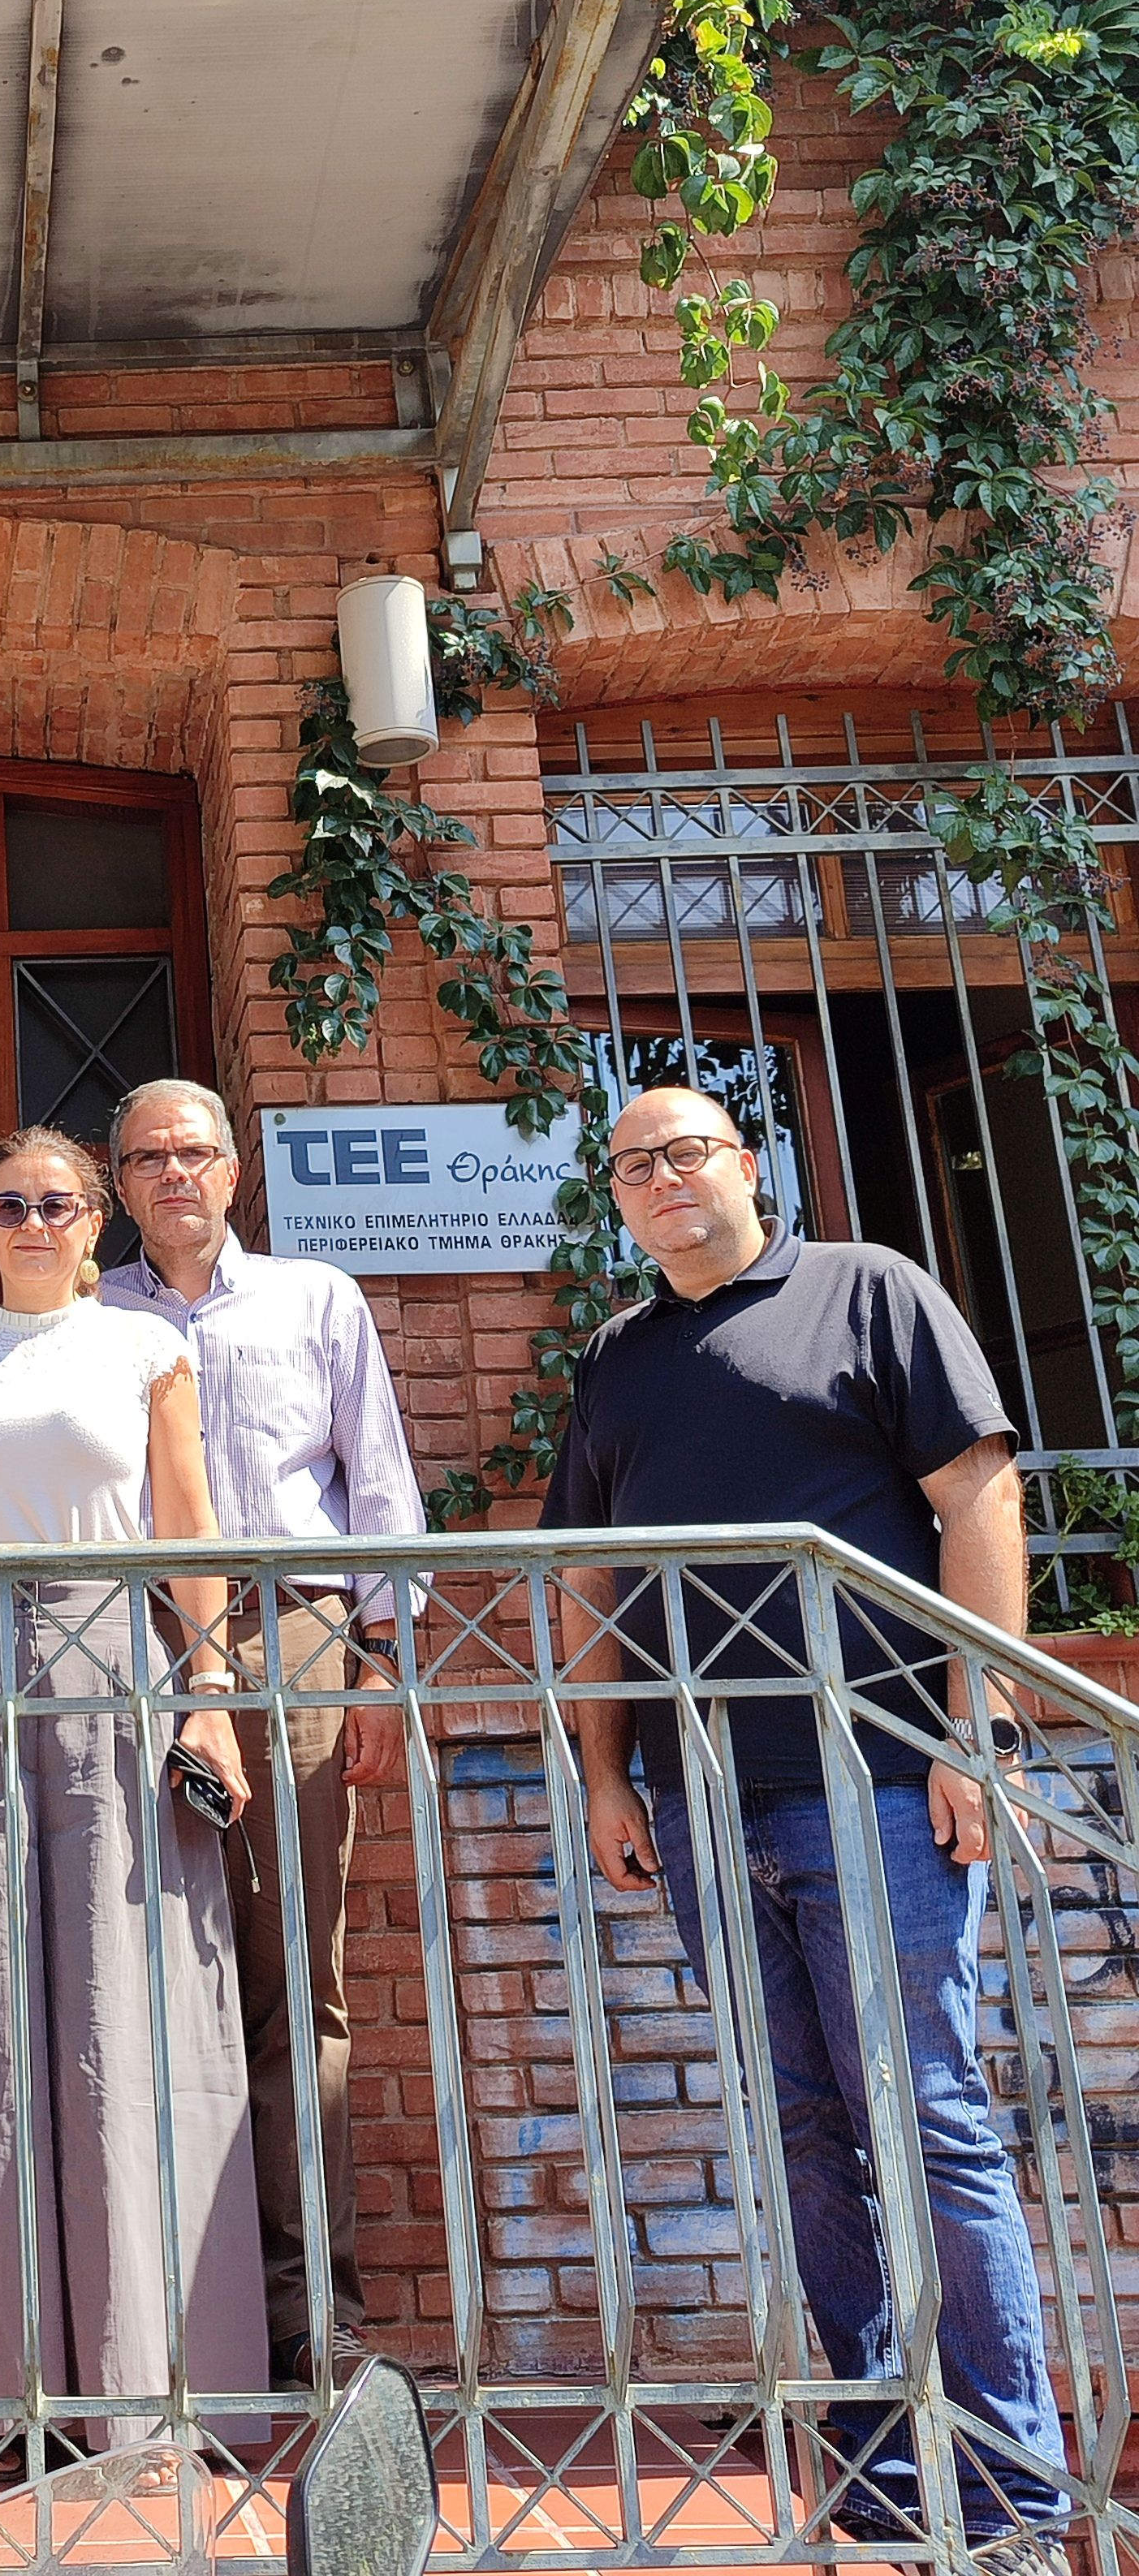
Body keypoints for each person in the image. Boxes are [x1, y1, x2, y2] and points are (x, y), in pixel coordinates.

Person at [544, 1083, 1070, 2575]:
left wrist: (975, 1727)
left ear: (747, 1164)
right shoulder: (619, 1357)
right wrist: (603, 1773)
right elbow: (589, 1577)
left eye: (685, 1152)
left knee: (928, 2121)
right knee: (802, 2134)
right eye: (632, 1166)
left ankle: (1015, 2503)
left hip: (878, 1779)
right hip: (706, 1799)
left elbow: (978, 1498)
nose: (660, 1179)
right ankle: (890, 2481)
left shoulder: (868, 1290)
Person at [0, 1126, 268, 2458]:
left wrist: (209, 1690)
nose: (34, 1222)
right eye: (10, 1203)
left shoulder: (143, 1349)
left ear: (95, 1224)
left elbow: (188, 1524)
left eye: (59, 1204)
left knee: (120, 2005)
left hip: (114, 1667)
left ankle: (145, 2379)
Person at [103, 1079, 424, 2391]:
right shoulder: (90, 1314)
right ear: (120, 1183)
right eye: (149, 1157)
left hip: (296, 1632)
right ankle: (164, 2312)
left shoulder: (316, 1299)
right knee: (138, 1974)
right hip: (126, 1643)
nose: (175, 1173)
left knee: (296, 1969)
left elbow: (380, 1480)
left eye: (195, 1152)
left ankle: (309, 2311)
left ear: (235, 1171)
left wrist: (382, 1668)